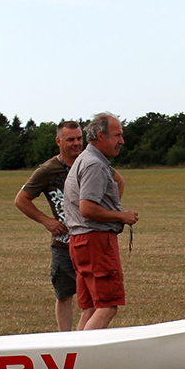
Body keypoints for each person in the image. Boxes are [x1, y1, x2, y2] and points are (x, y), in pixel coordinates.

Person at [14, 120, 126, 332]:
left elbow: (118, 181)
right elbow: (21, 199)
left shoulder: (87, 162)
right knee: (69, 295)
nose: (76, 143)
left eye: (79, 139)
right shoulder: (53, 169)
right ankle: (66, 341)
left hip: (80, 238)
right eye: (70, 139)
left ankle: (72, 348)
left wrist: (109, 210)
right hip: (71, 241)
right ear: (58, 141)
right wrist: (48, 221)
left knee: (91, 304)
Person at [63, 113, 138, 331]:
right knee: (107, 306)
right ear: (100, 135)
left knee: (91, 309)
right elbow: (87, 208)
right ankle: (84, 358)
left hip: (80, 242)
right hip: (95, 241)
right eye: (117, 135)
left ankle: (75, 356)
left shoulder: (84, 160)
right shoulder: (94, 164)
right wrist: (121, 215)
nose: (121, 141)